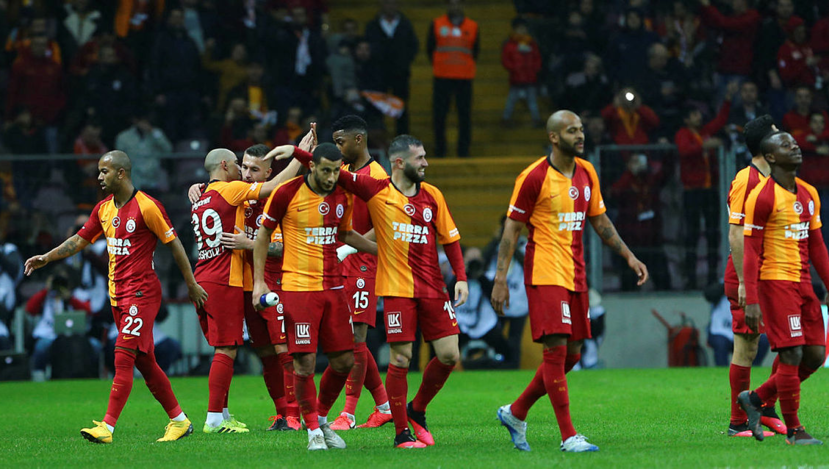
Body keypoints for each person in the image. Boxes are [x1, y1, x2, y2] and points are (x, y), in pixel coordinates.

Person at [269, 134, 470, 449]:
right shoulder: (377, 189)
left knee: (449, 355)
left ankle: (417, 409)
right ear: (400, 162)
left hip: (433, 286)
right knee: (400, 359)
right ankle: (401, 434)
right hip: (396, 287)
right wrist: (297, 152)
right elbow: (331, 171)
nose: (426, 163)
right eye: (420, 158)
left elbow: (451, 238)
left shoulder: (433, 195)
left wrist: (461, 276)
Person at [23, 150, 208, 444]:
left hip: (142, 294)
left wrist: (191, 284)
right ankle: (180, 421)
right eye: (99, 171)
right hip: (117, 296)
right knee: (145, 361)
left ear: (121, 173)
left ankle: (107, 427)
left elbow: (175, 245)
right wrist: (47, 257)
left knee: (122, 355)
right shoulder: (103, 209)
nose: (99, 177)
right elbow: (79, 240)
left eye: (104, 171)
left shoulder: (148, 206)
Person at [490, 110, 649, 453]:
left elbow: (600, 221)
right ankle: (568, 436)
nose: (581, 136)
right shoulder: (533, 177)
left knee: (572, 356)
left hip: (576, 273)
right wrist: (500, 278)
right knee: (556, 350)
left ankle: (516, 412)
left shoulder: (587, 171)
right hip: (544, 272)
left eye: (581, 130)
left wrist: (629, 256)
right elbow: (511, 229)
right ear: (553, 137)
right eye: (572, 131)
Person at [252, 143, 378, 451]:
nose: (331, 177)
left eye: (335, 171)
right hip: (298, 289)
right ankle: (313, 432)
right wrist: (258, 283)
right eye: (325, 171)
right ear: (311, 166)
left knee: (344, 361)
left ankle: (320, 419)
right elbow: (263, 234)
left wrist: (382, 251)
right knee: (305, 363)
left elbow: (345, 233)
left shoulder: (342, 194)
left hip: (333, 288)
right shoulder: (286, 192)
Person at [191, 147, 301, 434]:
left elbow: (287, 247)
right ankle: (277, 412)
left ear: (268, 173)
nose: (246, 173)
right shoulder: (236, 193)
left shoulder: (278, 197)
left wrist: (250, 244)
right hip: (241, 283)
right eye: (244, 167)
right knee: (258, 350)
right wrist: (200, 185)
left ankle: (292, 414)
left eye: (254, 169)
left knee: (281, 348)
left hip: (274, 280)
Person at [738, 130, 829, 445]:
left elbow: (817, 245)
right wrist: (751, 299)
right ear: (771, 157)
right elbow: (751, 250)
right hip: (775, 282)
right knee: (791, 353)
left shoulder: (809, 193)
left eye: (795, 143)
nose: (795, 147)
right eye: (786, 145)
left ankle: (756, 399)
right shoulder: (761, 196)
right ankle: (794, 429)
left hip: (804, 282)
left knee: (815, 355)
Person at [324, 116, 393, 431]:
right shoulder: (344, 171)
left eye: (341, 142)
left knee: (355, 338)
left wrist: (351, 249)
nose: (338, 148)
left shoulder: (377, 176)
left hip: (364, 262)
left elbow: (385, 224)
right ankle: (384, 407)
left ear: (359, 139)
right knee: (352, 339)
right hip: (341, 262)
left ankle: (348, 414)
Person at [722, 115, 785, 437]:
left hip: (774, 273)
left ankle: (765, 406)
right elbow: (736, 233)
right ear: (764, 145)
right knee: (747, 347)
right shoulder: (746, 179)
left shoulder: (777, 178)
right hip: (746, 276)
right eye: (777, 134)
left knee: (791, 343)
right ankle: (738, 422)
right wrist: (745, 283)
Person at [675, 82, 737, 288]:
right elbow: (685, 150)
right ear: (686, 119)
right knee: (692, 234)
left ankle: (712, 276)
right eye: (694, 115)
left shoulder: (704, 132)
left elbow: (720, 121)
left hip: (709, 190)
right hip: (692, 191)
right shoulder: (683, 134)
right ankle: (691, 278)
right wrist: (704, 145)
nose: (698, 117)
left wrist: (727, 99)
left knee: (712, 233)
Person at [427, 0, 479, 157]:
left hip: (464, 77)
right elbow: (430, 48)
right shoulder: (437, 24)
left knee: (465, 117)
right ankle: (440, 150)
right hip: (442, 77)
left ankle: (463, 151)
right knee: (439, 116)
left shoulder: (472, 26)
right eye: (452, 3)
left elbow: (475, 51)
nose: (454, 6)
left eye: (457, 3)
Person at [364, 0, 419, 135]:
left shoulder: (405, 25)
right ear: (381, 4)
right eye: (387, 3)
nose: (390, 6)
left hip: (400, 75)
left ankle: (402, 140)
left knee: (401, 109)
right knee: (376, 110)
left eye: (393, 3)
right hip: (378, 75)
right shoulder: (372, 25)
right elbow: (367, 48)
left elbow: (413, 46)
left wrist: (403, 63)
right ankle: (378, 141)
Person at [501, 17, 542, 127]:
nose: (522, 31)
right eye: (519, 28)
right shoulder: (510, 45)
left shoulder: (532, 44)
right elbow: (506, 60)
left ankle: (536, 119)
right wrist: (515, 68)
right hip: (516, 77)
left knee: (532, 101)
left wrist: (534, 69)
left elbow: (537, 58)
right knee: (511, 100)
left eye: (524, 28)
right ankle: (506, 118)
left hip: (530, 77)